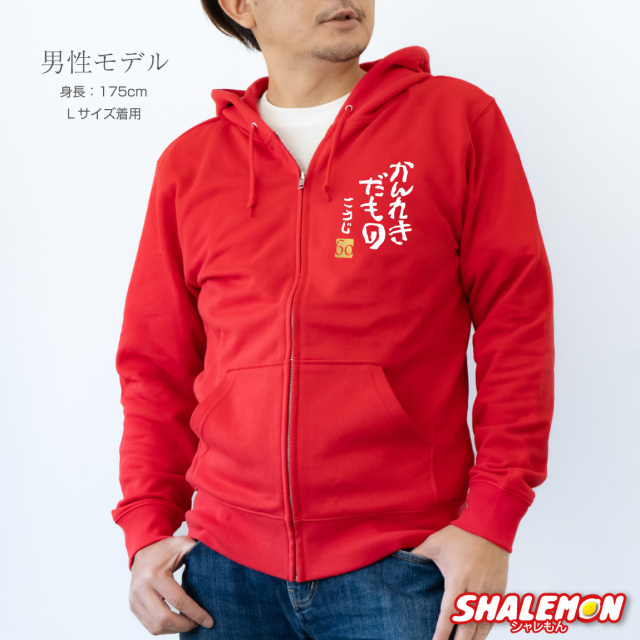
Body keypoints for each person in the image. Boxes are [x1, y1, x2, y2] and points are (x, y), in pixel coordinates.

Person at [111, 1, 555, 638]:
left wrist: (491, 520)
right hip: (222, 571)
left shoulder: (454, 120)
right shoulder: (191, 164)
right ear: (240, 6)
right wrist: (148, 526)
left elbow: (517, 323)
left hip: (404, 563)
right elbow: (157, 364)